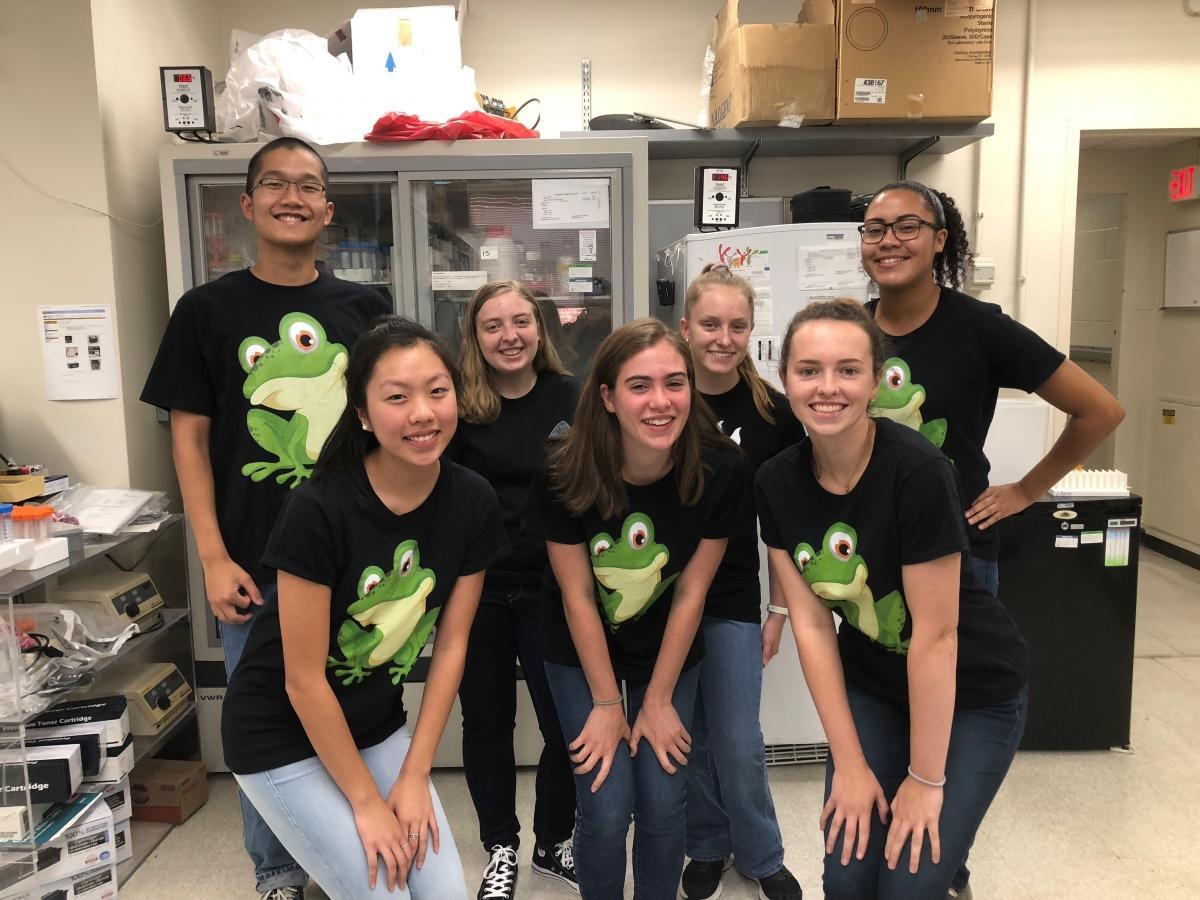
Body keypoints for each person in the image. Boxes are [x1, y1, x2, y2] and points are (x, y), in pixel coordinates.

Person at [141, 136, 390, 900]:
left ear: (328, 210)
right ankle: (277, 872)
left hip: (351, 557)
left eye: (308, 186)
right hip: (252, 561)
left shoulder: (364, 308)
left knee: (349, 704)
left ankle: (351, 844)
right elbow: (188, 437)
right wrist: (212, 557)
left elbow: (389, 424)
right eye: (275, 184)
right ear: (247, 204)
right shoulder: (206, 310)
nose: (293, 197)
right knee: (261, 723)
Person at [859, 180, 1124, 898]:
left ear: (941, 240)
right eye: (875, 227)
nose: (888, 239)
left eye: (908, 225)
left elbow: (1098, 409)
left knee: (951, 717)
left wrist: (1025, 493)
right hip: (871, 564)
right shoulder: (854, 331)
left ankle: (944, 865)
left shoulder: (980, 327)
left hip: (956, 553)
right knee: (887, 710)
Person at [221, 317, 509, 899]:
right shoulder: (318, 510)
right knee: (383, 891)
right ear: (361, 414)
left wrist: (415, 774)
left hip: (375, 722)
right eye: (397, 398)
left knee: (445, 893)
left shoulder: (472, 500)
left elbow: (452, 645)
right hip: (277, 730)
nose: (422, 413)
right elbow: (302, 682)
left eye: (437, 391)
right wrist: (366, 803)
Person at [756, 300, 1031, 899]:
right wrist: (849, 765)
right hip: (876, 685)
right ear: (785, 379)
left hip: (972, 691)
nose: (827, 387)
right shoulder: (776, 481)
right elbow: (810, 624)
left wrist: (926, 780)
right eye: (809, 370)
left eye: (848, 370)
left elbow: (936, 638)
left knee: (909, 881)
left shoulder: (919, 472)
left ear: (875, 380)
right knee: (849, 874)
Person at [531, 319, 744, 900]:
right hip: (579, 647)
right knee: (604, 802)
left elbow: (692, 591)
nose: (660, 401)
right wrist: (606, 703)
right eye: (639, 385)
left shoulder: (720, 468)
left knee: (661, 796)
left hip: (667, 649)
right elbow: (577, 595)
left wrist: (654, 700)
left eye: (675, 383)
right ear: (607, 397)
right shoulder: (561, 468)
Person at [676, 265, 804, 900]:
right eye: (709, 324)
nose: (722, 338)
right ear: (685, 328)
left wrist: (779, 611)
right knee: (690, 734)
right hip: (660, 599)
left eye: (736, 326)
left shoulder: (773, 415)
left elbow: (785, 522)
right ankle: (706, 846)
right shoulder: (662, 396)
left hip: (731, 595)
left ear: (751, 332)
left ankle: (761, 852)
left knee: (736, 736)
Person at [450, 281, 579, 900]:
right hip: (477, 592)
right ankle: (500, 846)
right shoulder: (457, 405)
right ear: (475, 338)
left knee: (564, 726)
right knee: (487, 722)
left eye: (521, 321)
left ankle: (554, 842)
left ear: (539, 329)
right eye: (493, 325)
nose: (510, 336)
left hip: (552, 588)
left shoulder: (571, 398)